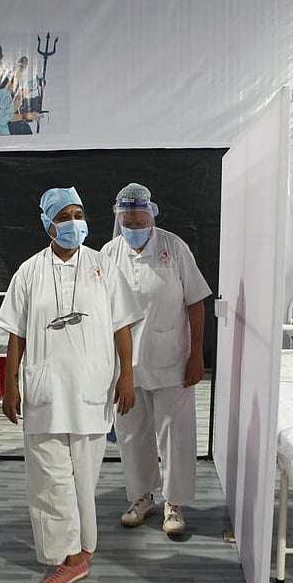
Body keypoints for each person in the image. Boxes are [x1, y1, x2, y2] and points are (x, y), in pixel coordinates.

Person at [0, 187, 142, 583]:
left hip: (93, 388)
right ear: (48, 223)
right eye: (65, 215)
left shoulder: (103, 265)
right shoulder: (29, 271)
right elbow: (16, 334)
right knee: (49, 479)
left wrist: (126, 375)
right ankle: (72, 558)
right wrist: (10, 385)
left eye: (79, 213)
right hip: (44, 390)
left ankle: (83, 546)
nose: (75, 222)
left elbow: (122, 324)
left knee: (83, 480)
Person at [100, 182, 212, 535]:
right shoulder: (108, 252)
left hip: (172, 361)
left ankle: (174, 504)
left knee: (175, 435)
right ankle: (142, 497)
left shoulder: (173, 248)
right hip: (125, 368)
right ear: (119, 220)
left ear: (152, 214)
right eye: (127, 223)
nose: (134, 229)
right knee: (132, 435)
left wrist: (197, 355)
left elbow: (195, 301)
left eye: (139, 221)